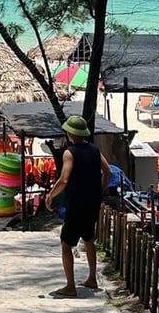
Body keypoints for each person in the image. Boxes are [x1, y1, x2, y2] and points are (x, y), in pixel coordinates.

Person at [45, 114, 111, 298]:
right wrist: (100, 190)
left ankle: (70, 286)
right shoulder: (95, 150)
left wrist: (50, 196)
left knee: (66, 243)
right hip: (92, 202)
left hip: (77, 203)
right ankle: (92, 278)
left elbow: (64, 179)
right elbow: (108, 172)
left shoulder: (69, 153)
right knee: (88, 238)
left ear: (70, 134)